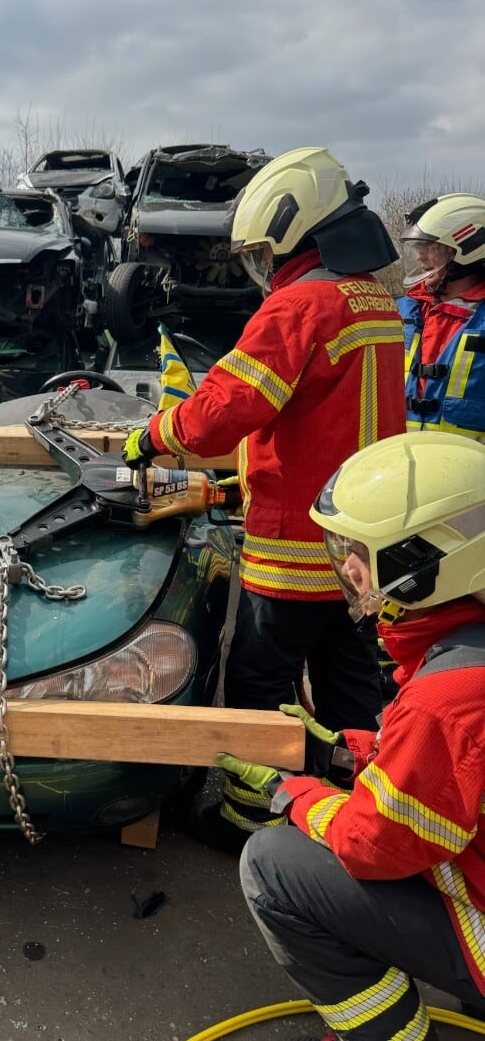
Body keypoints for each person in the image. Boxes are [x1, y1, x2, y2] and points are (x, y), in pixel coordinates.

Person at [123, 147, 407, 849]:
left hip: (294, 550)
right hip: (359, 547)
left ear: (291, 230)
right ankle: (356, 816)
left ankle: (253, 822)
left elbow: (224, 410)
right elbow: (326, 419)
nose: (260, 267)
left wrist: (151, 438)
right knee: (350, 690)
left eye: (261, 254)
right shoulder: (376, 301)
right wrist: (240, 481)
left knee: (259, 691)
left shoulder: (301, 305)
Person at [223, 431, 485, 1041]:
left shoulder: (447, 697)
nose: (348, 570)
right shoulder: (466, 657)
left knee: (274, 867)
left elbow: (376, 844)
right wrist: (347, 751)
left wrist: (298, 795)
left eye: (359, 555)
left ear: (423, 564)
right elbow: (458, 774)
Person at [399, 193, 485, 442]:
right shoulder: (402, 312)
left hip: (470, 463)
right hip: (402, 457)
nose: (420, 257)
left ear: (466, 249)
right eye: (418, 247)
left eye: (430, 247)